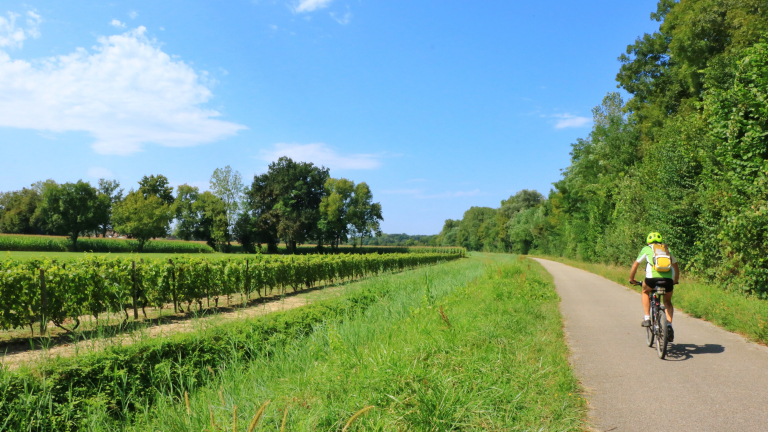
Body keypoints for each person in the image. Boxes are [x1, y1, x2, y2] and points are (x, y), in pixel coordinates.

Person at [629, 232, 679, 342]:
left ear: (648, 242)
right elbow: (675, 266)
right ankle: (669, 324)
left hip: (651, 279)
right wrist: (675, 280)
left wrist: (632, 279)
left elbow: (635, 265)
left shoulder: (647, 249)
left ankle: (647, 317)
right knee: (667, 301)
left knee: (645, 292)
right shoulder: (667, 249)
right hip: (668, 280)